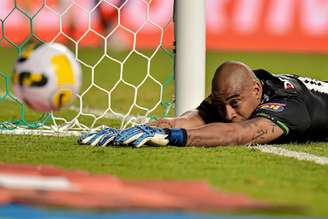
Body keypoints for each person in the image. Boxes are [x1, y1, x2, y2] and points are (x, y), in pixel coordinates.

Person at [78, 61, 328, 147]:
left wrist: (172, 137)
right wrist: (147, 128)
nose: (227, 113)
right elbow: (191, 119)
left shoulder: (289, 104)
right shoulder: (235, 91)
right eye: (221, 105)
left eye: (234, 104)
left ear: (255, 90)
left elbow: (240, 134)